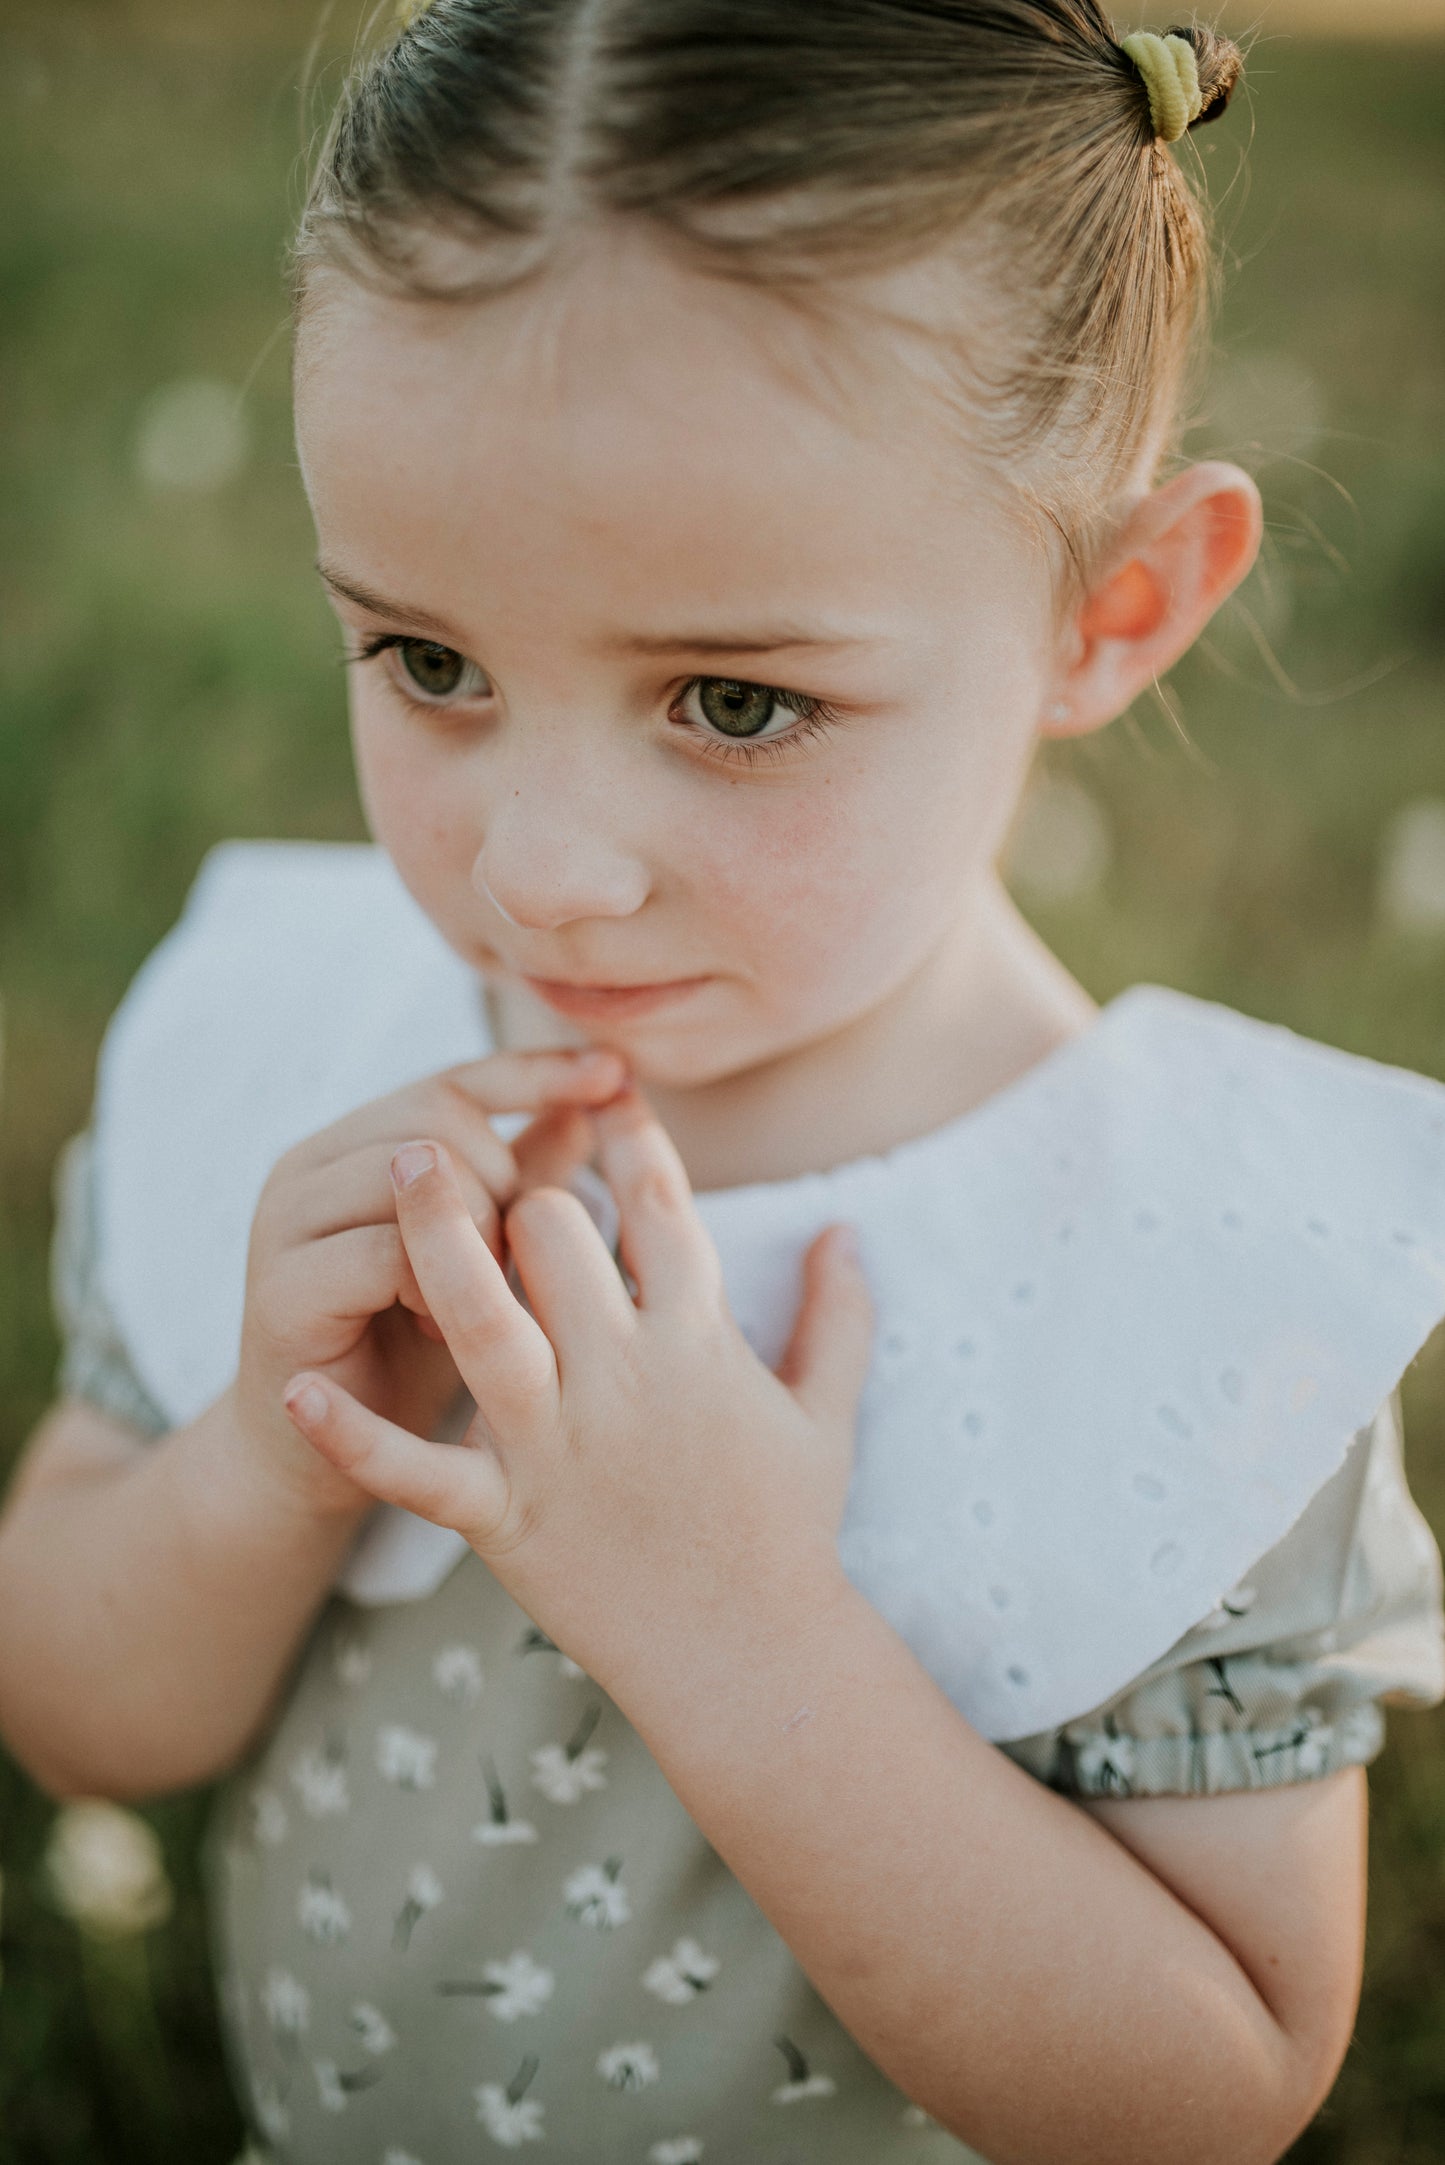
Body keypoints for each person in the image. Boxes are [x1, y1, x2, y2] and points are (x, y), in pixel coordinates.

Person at [2, 4, 1443, 2160]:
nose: (543, 873)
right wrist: (265, 1463)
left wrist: (741, 1635)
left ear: (1110, 611)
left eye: (738, 705)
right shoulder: (310, 1048)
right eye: (431, 662)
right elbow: (75, 1712)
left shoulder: (1177, 1283)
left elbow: (1209, 2092)